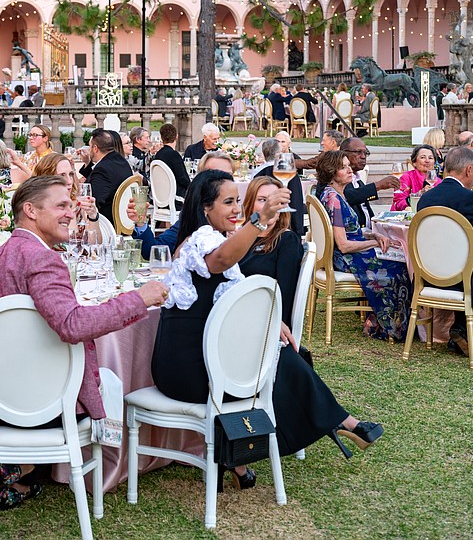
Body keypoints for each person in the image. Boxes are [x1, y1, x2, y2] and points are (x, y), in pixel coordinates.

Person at [151, 169, 384, 482]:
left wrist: (271, 322)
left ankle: (241, 460)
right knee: (272, 360)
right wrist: (258, 220)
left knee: (275, 354)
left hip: (196, 361)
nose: (237, 208)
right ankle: (334, 422)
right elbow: (219, 260)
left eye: (238, 201)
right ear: (206, 209)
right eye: (228, 202)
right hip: (185, 370)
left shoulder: (219, 238)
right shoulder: (204, 240)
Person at [0, 175, 168, 509]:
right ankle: (92, 470)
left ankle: (22, 469)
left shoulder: (0, 254)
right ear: (30, 210)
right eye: (61, 205)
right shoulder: (43, 259)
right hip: (47, 406)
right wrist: (138, 299)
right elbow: (72, 325)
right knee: (115, 383)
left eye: (71, 206)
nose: (70, 213)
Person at [317, 150, 412, 340]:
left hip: (347, 252)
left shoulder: (334, 194)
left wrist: (374, 234)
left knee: (398, 258)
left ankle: (379, 319)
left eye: (347, 165)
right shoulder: (334, 199)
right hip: (344, 258)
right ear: (331, 172)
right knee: (398, 267)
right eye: (342, 167)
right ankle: (386, 325)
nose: (349, 169)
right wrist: (374, 242)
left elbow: (352, 230)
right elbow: (343, 244)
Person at [418, 147, 473, 356]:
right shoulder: (469, 199)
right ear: (469, 170)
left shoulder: (426, 199)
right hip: (461, 279)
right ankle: (466, 328)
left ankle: (462, 330)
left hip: (428, 276)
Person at [127, 153, 236, 259]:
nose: (225, 183)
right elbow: (154, 251)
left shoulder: (241, 219)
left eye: (229, 176)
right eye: (217, 177)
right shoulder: (193, 218)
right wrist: (140, 222)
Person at [238, 176, 303, 327]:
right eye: (262, 200)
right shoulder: (239, 238)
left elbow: (285, 295)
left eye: (275, 201)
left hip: (262, 322)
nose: (270, 206)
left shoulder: (286, 241)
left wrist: (272, 323)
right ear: (249, 204)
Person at [316, 137, 399, 229]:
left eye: (365, 153)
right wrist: (377, 186)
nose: (363, 156)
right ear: (344, 153)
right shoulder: (331, 179)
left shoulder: (357, 180)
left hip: (367, 232)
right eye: (358, 152)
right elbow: (345, 197)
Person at [33, 152, 100, 237]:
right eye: (62, 175)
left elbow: (94, 245)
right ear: (47, 178)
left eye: (71, 174)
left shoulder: (79, 206)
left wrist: (93, 216)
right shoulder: (38, 209)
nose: (69, 181)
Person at [80, 128, 133, 224]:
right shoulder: (122, 162)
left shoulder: (102, 170)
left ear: (95, 148)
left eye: (90, 146)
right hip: (126, 220)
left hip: (106, 223)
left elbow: (92, 202)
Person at [254, 138, 305, 236]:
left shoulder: (257, 172)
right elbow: (297, 199)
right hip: (286, 224)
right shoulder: (287, 172)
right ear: (279, 153)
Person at [391, 145, 440, 211]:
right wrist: (418, 194)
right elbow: (399, 202)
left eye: (430, 158)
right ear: (414, 162)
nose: (427, 161)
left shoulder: (438, 181)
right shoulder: (406, 177)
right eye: (423, 157)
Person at [154, 123, 190, 208]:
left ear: (162, 138)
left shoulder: (158, 155)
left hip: (161, 198)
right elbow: (183, 179)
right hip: (175, 198)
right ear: (176, 137)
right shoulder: (174, 155)